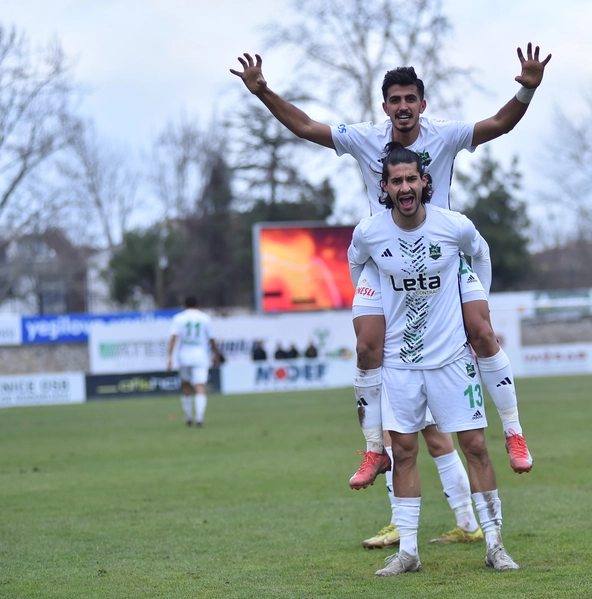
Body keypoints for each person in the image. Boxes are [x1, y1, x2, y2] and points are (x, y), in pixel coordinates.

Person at [232, 43, 548, 544]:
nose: (402, 106)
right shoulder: (365, 139)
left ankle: (512, 432)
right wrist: (264, 92)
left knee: (482, 332)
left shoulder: (444, 137)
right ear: (385, 107)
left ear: (422, 103)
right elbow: (308, 128)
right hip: (389, 263)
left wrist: (527, 87)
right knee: (369, 351)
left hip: (441, 260)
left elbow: (498, 124)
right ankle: (375, 450)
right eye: (394, 99)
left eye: (410, 99)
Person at [348, 144, 518, 575]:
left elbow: (479, 254)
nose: (405, 187)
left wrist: (479, 295)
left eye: (411, 179)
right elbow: (357, 265)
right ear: (384, 188)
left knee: (475, 446)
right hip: (400, 364)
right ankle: (408, 552)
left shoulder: (453, 226)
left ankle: (495, 544)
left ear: (425, 182)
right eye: (396, 181)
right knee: (403, 454)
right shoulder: (370, 232)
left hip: (450, 359)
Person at [167, 296, 221, 427]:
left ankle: (188, 416)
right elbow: (212, 338)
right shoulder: (204, 318)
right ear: (197, 304)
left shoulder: (179, 318)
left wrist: (170, 356)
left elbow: (173, 337)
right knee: (200, 386)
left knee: (186, 385)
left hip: (184, 356)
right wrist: (216, 353)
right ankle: (200, 417)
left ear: (184, 305)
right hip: (200, 356)